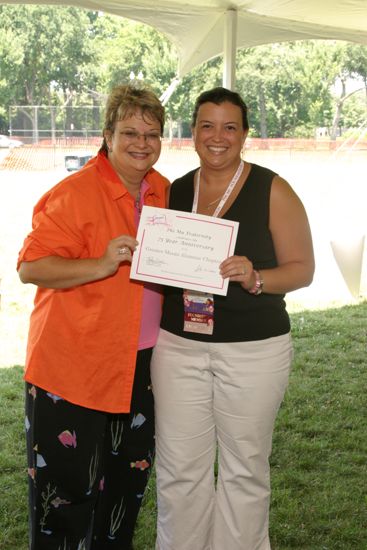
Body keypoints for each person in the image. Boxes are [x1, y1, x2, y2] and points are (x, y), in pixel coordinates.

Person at [151, 87, 315, 550]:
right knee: (180, 467)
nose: (217, 137)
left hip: (254, 351)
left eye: (229, 127)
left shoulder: (272, 188)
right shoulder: (176, 190)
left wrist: (256, 277)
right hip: (179, 347)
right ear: (193, 132)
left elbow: (302, 270)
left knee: (244, 467)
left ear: (245, 134)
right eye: (207, 125)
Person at [17, 84, 169, 550]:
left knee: (124, 489)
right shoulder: (74, 194)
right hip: (74, 367)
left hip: (140, 367)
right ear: (107, 134)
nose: (141, 143)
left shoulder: (162, 191)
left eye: (152, 133)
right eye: (129, 132)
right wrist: (101, 264)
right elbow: (31, 267)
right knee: (66, 497)